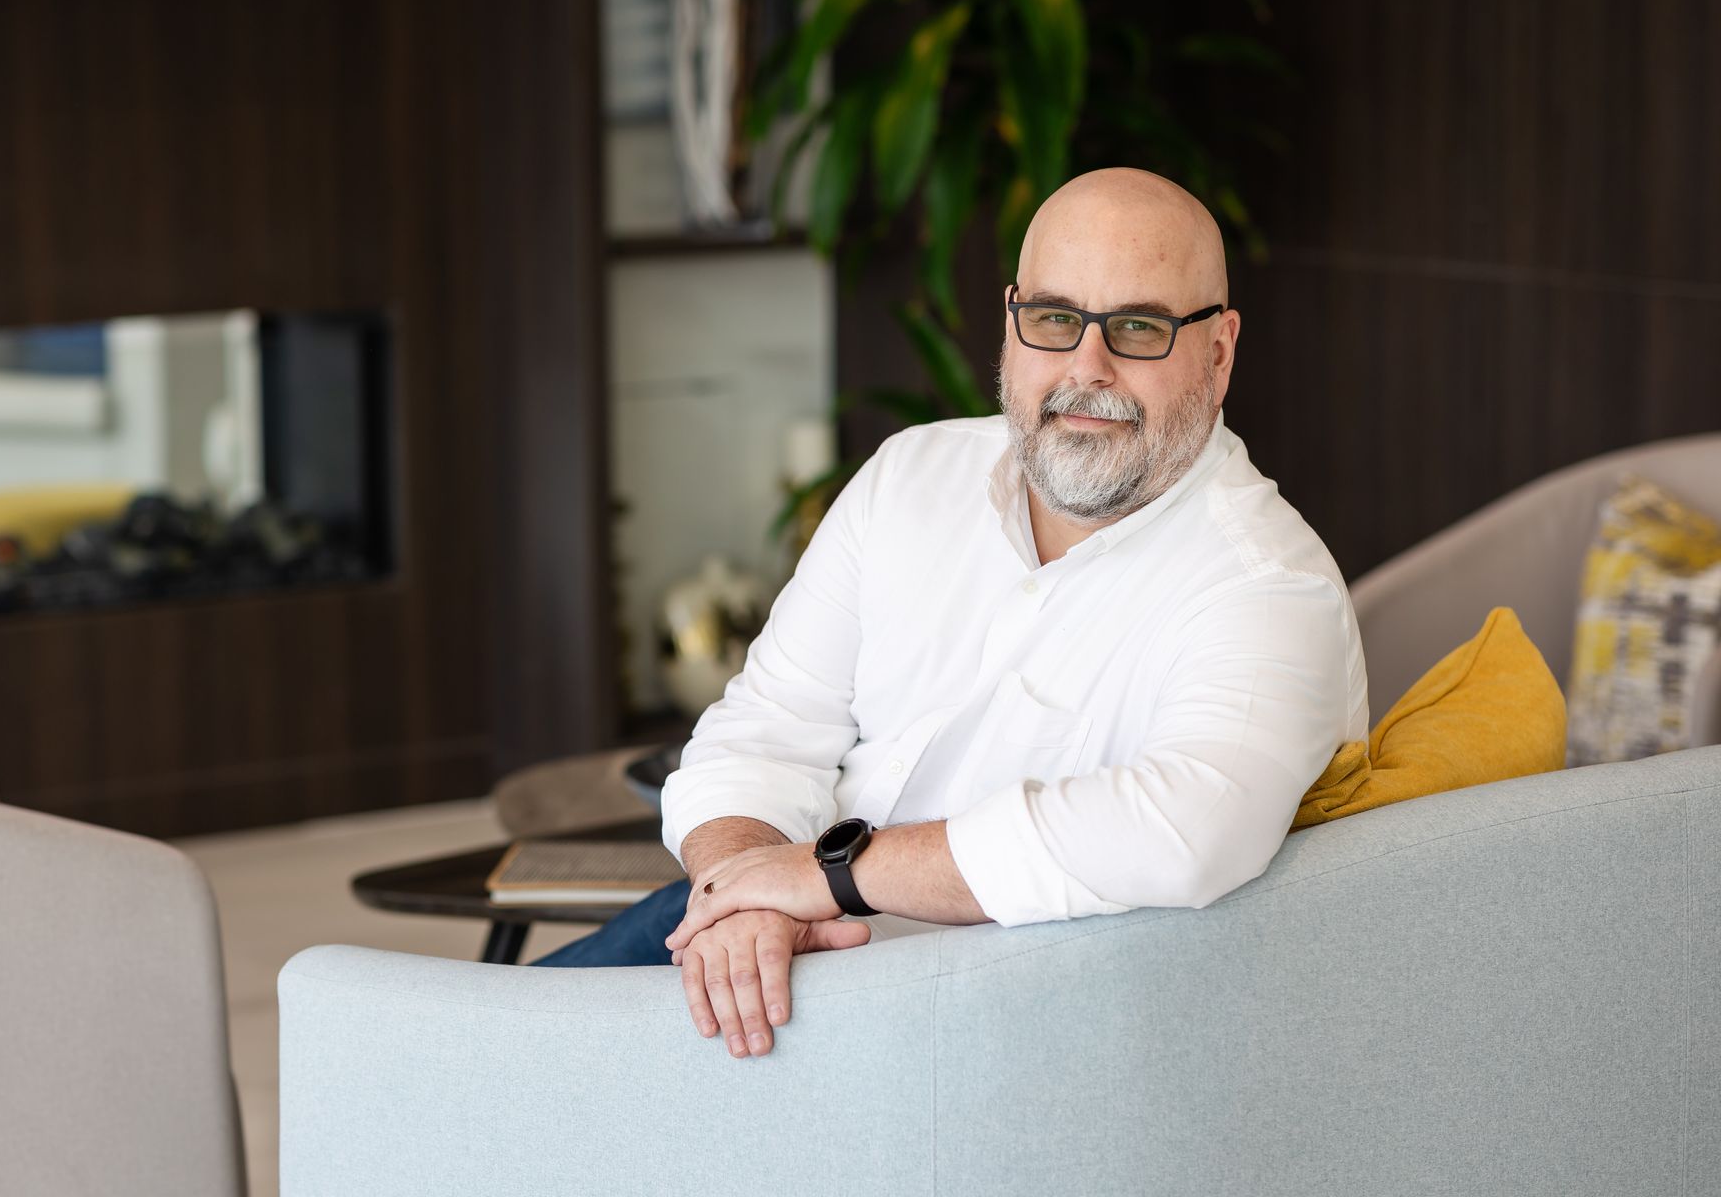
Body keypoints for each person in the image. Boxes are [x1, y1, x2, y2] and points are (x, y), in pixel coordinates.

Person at [534, 167, 1368, 1065]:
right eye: (1054, 318)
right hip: (760, 925)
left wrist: (831, 878)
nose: (1088, 368)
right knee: (439, 1077)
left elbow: (1180, 831)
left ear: (1219, 351)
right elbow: (765, 730)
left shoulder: (1269, 588)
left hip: (978, 1027)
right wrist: (747, 899)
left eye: (1139, 328)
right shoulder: (912, 477)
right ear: (1012, 322)